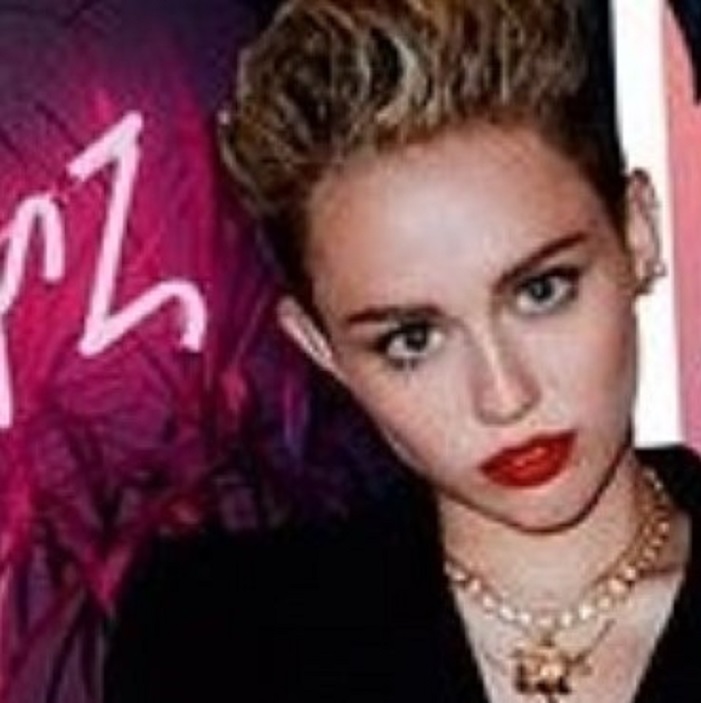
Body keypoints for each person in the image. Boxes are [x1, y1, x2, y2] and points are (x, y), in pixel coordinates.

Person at [103, 0, 701, 701]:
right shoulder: (212, 641)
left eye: (541, 291)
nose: (504, 395)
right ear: (320, 347)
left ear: (637, 234)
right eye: (412, 340)